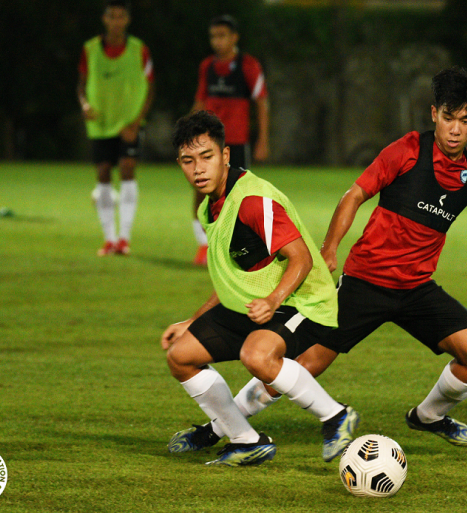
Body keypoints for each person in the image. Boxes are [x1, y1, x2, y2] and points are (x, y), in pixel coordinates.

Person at [181, 66, 467, 452]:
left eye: (465, 120)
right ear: (433, 114)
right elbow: (354, 195)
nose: (455, 129)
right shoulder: (407, 151)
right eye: (448, 118)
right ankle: (217, 430)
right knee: (298, 367)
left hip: (416, 290)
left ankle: (427, 416)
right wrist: (330, 246)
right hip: (363, 284)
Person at [161, 111, 359, 467]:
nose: (198, 169)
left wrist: (273, 299)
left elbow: (302, 258)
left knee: (257, 355)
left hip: (303, 300)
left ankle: (335, 416)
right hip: (258, 302)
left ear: (225, 156)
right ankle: (245, 440)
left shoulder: (252, 201)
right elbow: (231, 278)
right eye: (188, 161)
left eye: (207, 157)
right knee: (180, 355)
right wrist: (192, 321)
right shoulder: (211, 205)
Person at [190, 14, 269, 266]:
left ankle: (234, 246)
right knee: (200, 189)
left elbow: (262, 102)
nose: (218, 41)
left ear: (234, 37)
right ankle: (204, 245)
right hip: (207, 142)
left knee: (235, 194)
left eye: (222, 35)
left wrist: (262, 140)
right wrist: (188, 135)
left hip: (235, 142)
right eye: (214, 36)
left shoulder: (248, 65)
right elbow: (200, 102)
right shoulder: (207, 67)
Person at [77, 0, 155, 256]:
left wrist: (136, 121)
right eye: (112, 16)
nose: (116, 21)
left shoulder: (139, 49)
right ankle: (109, 238)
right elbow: (81, 85)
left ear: (127, 20)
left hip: (128, 124)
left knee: (127, 169)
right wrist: (85, 104)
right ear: (105, 19)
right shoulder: (90, 49)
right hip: (100, 123)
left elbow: (151, 87)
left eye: (121, 17)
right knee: (102, 174)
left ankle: (124, 238)